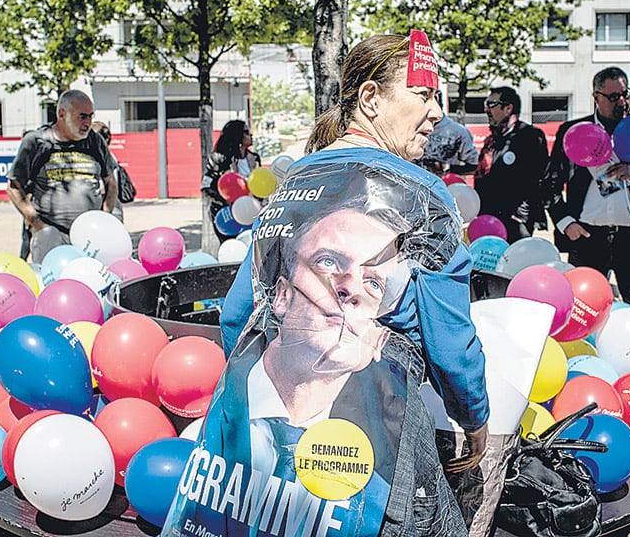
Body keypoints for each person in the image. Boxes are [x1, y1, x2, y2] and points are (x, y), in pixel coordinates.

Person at [209, 31, 490, 534]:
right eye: (423, 94)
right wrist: (474, 418)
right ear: (370, 99)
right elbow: (450, 340)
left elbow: (237, 316)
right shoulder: (422, 192)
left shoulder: (291, 185)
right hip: (382, 428)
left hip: (273, 446)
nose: (436, 113)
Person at [162, 196, 443, 536]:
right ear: (280, 296)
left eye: (373, 283)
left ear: (377, 339)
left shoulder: (390, 452)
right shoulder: (227, 414)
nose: (351, 288)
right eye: (327, 262)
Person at [542, 66, 630, 318]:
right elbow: (549, 184)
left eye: (625, 94)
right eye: (613, 97)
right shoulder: (573, 133)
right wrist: (565, 222)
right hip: (587, 237)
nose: (622, 102)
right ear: (596, 97)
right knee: (582, 313)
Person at [6, 90, 118, 264]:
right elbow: (14, 187)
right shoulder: (37, 141)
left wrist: (103, 217)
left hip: (90, 236)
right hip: (51, 236)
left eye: (90, 116)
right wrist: (38, 224)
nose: (88, 123)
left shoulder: (95, 142)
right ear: (61, 114)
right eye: (82, 117)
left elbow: (111, 183)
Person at [474, 86, 549, 242]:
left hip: (516, 221)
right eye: (486, 104)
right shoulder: (492, 140)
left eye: (492, 104)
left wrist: (522, 217)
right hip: (490, 218)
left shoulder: (529, 136)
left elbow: (536, 179)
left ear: (508, 108)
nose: (487, 110)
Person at [201, 120, 261, 241]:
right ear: (237, 136)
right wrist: (226, 202)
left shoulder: (254, 159)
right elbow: (206, 187)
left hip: (252, 213)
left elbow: (260, 186)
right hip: (228, 216)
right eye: (246, 132)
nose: (251, 135)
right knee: (234, 250)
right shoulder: (219, 159)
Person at [415, 90, 478, 176]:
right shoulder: (411, 128)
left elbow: (474, 166)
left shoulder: (458, 132)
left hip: (445, 185)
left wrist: (446, 167)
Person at [91, 121, 124, 223]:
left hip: (109, 210)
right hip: (111, 209)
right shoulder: (109, 156)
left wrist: (106, 212)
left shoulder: (106, 158)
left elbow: (111, 185)